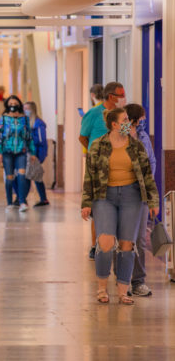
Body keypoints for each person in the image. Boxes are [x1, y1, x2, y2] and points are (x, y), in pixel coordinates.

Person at [81, 108, 159, 305]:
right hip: (104, 197)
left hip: (132, 197)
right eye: (124, 120)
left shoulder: (136, 146)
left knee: (127, 245)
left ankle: (123, 291)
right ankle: (101, 287)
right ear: (114, 124)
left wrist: (153, 201)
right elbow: (89, 176)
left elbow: (147, 175)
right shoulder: (98, 145)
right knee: (106, 242)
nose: (129, 123)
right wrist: (86, 203)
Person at [79, 82, 125, 260]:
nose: (123, 99)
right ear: (111, 96)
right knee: (97, 206)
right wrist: (94, 152)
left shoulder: (123, 115)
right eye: (120, 95)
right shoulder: (93, 114)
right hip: (99, 167)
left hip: (119, 167)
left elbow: (128, 135)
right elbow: (83, 137)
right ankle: (95, 244)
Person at [126, 103, 156, 297]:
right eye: (142, 117)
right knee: (124, 240)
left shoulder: (144, 137)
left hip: (142, 195)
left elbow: (151, 161)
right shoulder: (120, 136)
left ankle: (138, 281)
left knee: (139, 240)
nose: (144, 120)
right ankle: (122, 279)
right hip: (122, 193)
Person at [0, 95, 36, 212]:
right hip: (7, 152)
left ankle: (22, 201)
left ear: (19, 105)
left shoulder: (25, 119)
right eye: (10, 104)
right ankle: (9, 203)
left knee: (22, 175)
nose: (13, 106)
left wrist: (32, 152)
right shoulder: (3, 119)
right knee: (9, 178)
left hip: (21, 152)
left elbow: (29, 136)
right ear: (7, 105)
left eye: (15, 104)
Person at [24, 101, 50, 207]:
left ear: (32, 110)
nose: (25, 111)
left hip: (37, 154)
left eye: (27, 108)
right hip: (30, 153)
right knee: (34, 176)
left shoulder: (38, 123)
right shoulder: (28, 122)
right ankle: (43, 198)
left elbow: (41, 140)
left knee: (32, 176)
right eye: (24, 108)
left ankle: (22, 199)